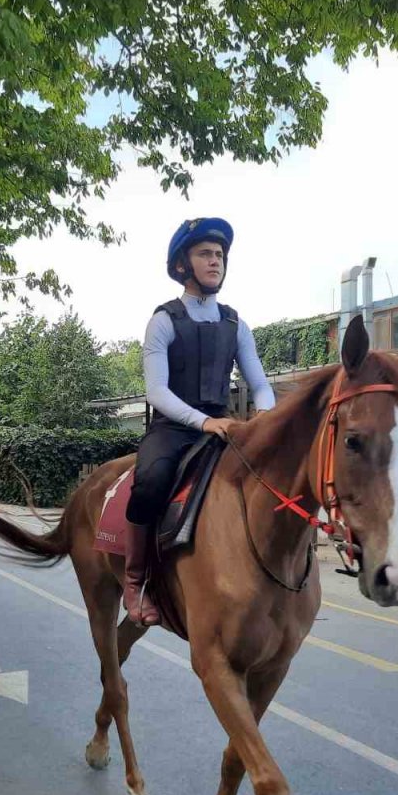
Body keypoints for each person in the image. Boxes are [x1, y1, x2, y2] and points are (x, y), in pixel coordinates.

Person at [123, 217, 276, 626]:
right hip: (174, 428)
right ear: (182, 265)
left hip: (226, 428)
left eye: (220, 255)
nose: (215, 262)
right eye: (205, 254)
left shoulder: (236, 324)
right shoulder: (163, 320)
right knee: (151, 481)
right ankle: (135, 580)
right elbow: (156, 392)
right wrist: (204, 422)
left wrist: (263, 415)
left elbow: (261, 384)